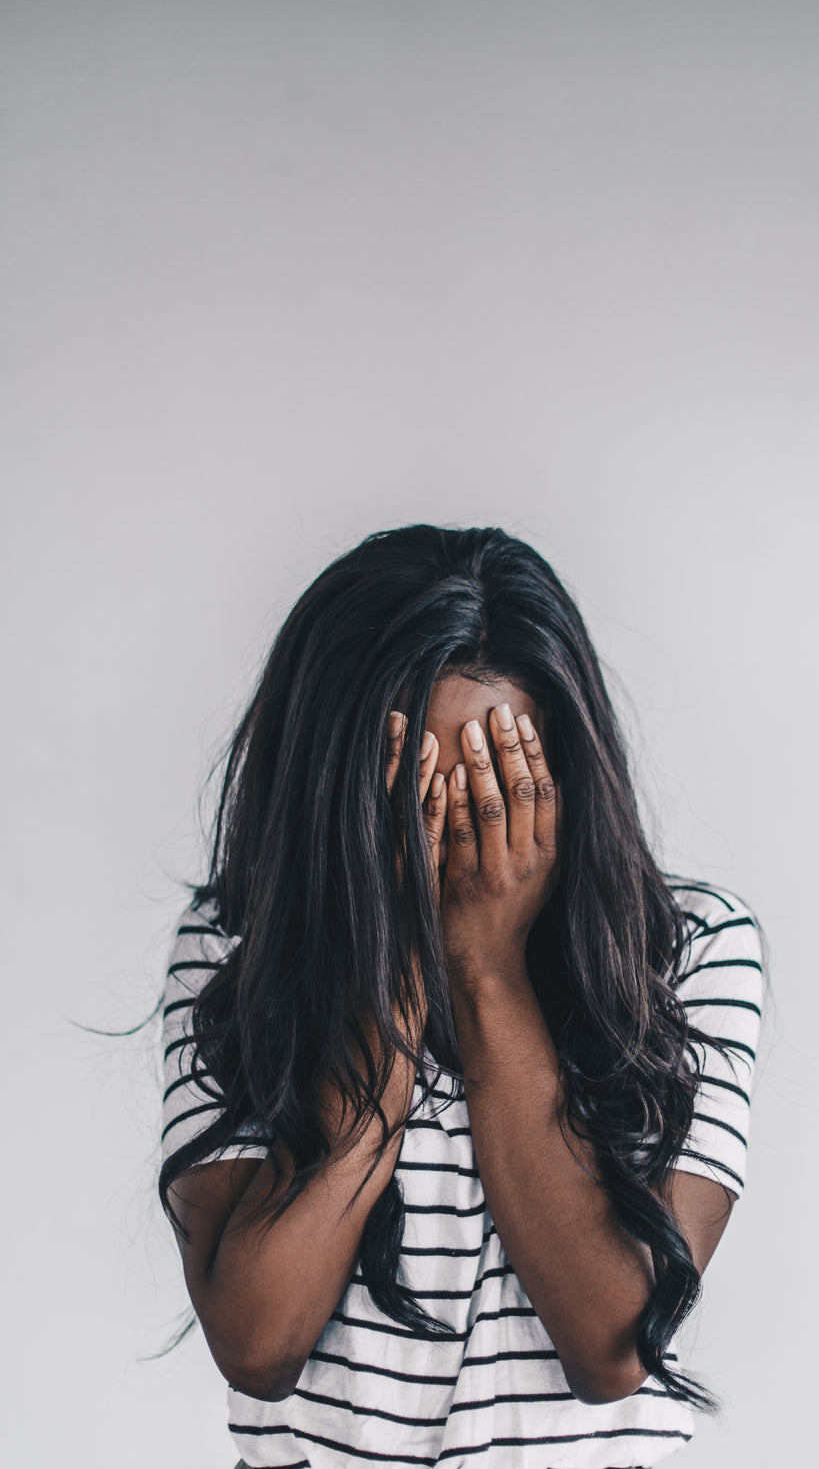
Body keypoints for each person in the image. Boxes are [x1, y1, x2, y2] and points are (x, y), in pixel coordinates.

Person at [158, 523, 765, 1469]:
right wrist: (393, 972)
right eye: (412, 791)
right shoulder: (240, 945)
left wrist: (487, 969)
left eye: (489, 786)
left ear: (560, 773)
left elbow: (614, 1346)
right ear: (332, 782)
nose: (449, 830)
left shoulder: (686, 952)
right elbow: (257, 1343)